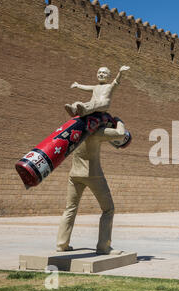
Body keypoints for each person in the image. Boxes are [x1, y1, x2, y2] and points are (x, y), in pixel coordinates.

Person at [56, 118, 128, 255]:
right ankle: (103, 246)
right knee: (108, 209)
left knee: (70, 208)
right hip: (93, 174)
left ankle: (61, 244)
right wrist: (119, 121)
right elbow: (120, 134)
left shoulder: (76, 131)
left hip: (74, 174)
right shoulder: (97, 132)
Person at [65, 65, 130, 117]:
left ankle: (84, 111)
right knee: (79, 103)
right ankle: (73, 110)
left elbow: (116, 81)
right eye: (99, 72)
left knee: (94, 104)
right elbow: (86, 87)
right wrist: (78, 85)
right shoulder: (95, 87)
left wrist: (120, 72)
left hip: (103, 105)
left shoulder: (109, 86)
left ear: (109, 76)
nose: (101, 74)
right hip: (92, 105)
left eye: (104, 73)